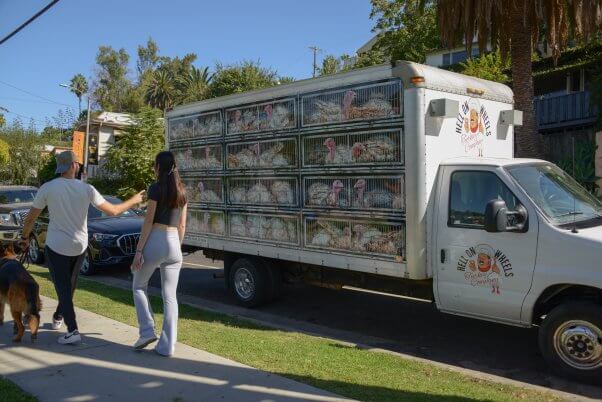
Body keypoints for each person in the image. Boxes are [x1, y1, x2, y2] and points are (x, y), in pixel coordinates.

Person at [20, 151, 144, 345]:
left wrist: (25, 237)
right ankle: (59, 315)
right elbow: (114, 210)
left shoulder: (47, 188)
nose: (78, 166)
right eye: (77, 163)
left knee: (63, 287)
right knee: (69, 286)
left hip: (56, 245)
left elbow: (30, 218)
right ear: (73, 166)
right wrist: (134, 200)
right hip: (80, 246)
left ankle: (73, 329)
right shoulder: (87, 189)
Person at [131, 151, 187, 356]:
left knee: (138, 285)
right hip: (174, 244)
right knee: (170, 297)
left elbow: (148, 221)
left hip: (156, 238)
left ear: (158, 167)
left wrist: (139, 251)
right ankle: (167, 346)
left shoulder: (155, 189)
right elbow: (182, 225)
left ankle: (146, 331)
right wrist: (177, 249)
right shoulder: (182, 191)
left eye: (154, 164)